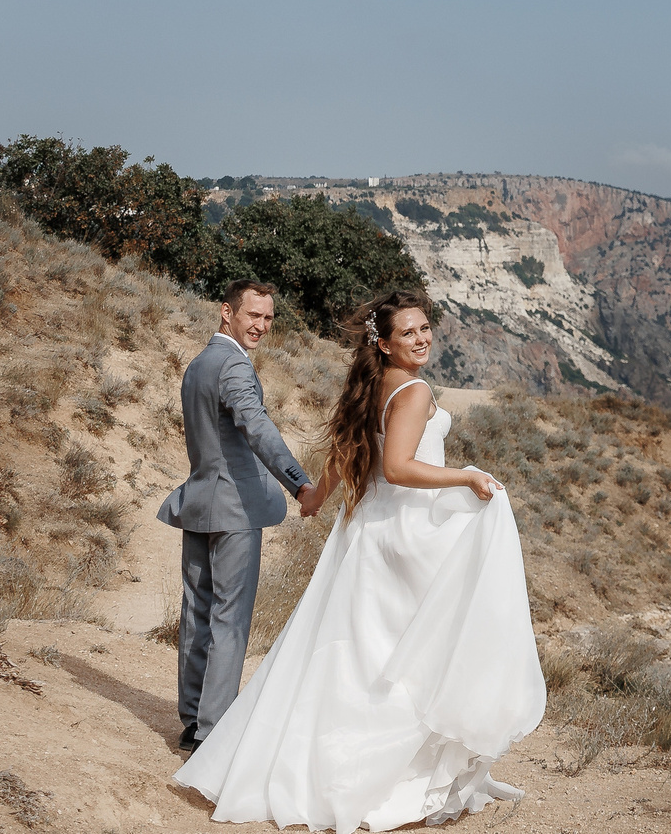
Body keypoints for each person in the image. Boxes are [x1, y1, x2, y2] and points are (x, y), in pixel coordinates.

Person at [175, 288, 545, 829]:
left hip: (368, 530)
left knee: (358, 650)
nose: (421, 339)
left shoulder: (373, 386)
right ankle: (392, 773)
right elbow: (396, 468)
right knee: (413, 649)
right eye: (408, 333)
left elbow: (348, 451)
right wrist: (465, 476)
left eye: (424, 329)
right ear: (386, 343)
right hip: (407, 528)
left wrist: (317, 496)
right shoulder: (414, 391)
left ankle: (302, 758)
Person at [158, 281, 316, 755]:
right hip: (235, 511)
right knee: (229, 619)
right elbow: (256, 426)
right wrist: (299, 481)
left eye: (268, 318)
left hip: (199, 503)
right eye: (253, 315)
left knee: (197, 613)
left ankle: (192, 720)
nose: (261, 326)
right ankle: (214, 730)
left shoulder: (198, 364)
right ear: (226, 312)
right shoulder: (233, 366)